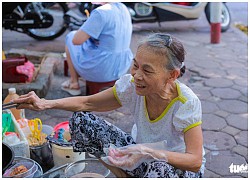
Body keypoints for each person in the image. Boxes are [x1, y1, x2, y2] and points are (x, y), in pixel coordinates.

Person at [14, 33, 205, 178]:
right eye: (136, 65)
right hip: (139, 153)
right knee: (82, 121)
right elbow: (87, 102)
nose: (137, 75)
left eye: (147, 70)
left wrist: (148, 152)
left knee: (156, 166)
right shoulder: (131, 86)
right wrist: (45, 103)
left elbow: (195, 161)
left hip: (177, 169)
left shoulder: (186, 103)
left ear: (172, 75)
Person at [62, 2, 133, 95]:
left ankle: (74, 83)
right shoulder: (123, 7)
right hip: (122, 67)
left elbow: (76, 40)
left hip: (102, 69)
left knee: (70, 36)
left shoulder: (101, 12)